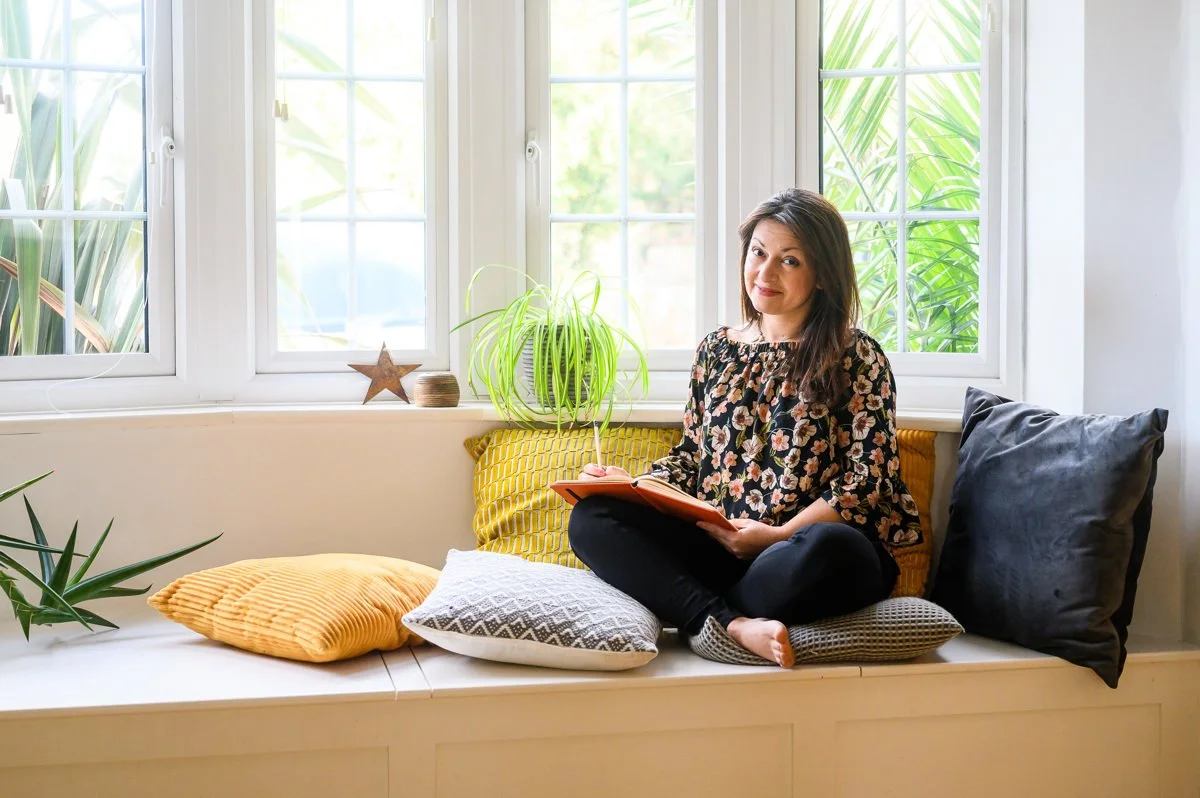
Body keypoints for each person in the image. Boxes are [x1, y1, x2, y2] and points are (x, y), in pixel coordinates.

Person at [567, 188, 924, 668]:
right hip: (719, 547)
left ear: (823, 275)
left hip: (800, 553)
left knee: (837, 549)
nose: (765, 272)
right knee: (592, 519)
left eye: (790, 261)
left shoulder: (856, 355)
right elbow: (692, 456)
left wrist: (774, 537)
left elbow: (865, 483)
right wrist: (630, 486)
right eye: (758, 252)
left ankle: (695, 605)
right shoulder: (716, 350)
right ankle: (732, 625)